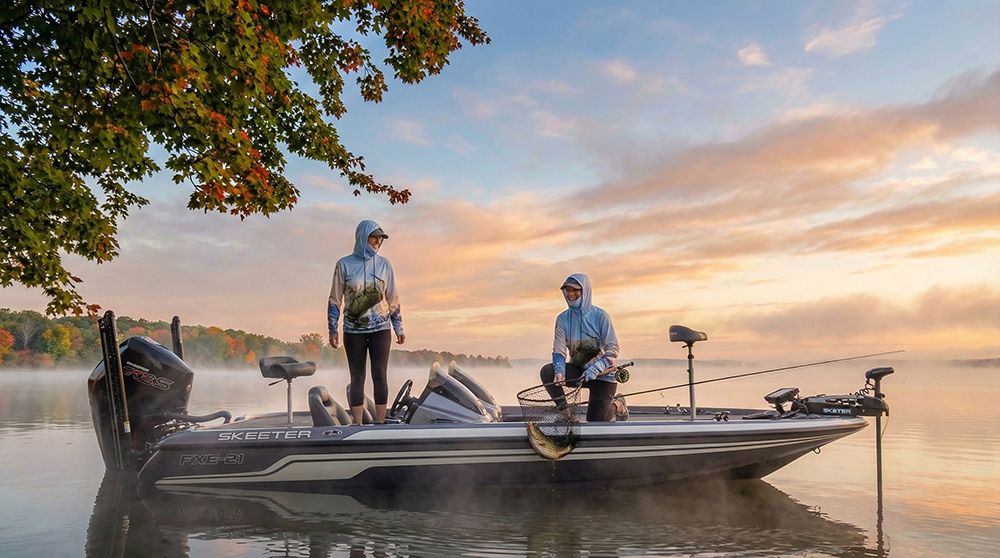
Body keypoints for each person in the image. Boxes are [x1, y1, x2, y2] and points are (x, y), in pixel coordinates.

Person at [328, 220, 405, 424]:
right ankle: (358, 424)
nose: (378, 241)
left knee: (379, 374)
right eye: (374, 237)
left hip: (381, 328)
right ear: (363, 237)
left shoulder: (385, 264)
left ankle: (380, 422)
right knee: (357, 377)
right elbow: (335, 298)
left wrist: (398, 327)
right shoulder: (343, 264)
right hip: (353, 331)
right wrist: (332, 329)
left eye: (381, 238)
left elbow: (392, 298)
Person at [539, 273, 620, 422]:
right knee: (547, 371)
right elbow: (559, 351)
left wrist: (596, 369)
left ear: (585, 291)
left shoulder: (601, 316)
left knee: (595, 423)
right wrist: (559, 372)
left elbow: (613, 349)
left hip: (604, 375)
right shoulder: (562, 319)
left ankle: (618, 404)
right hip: (580, 372)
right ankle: (566, 414)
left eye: (575, 290)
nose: (570, 294)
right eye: (567, 290)